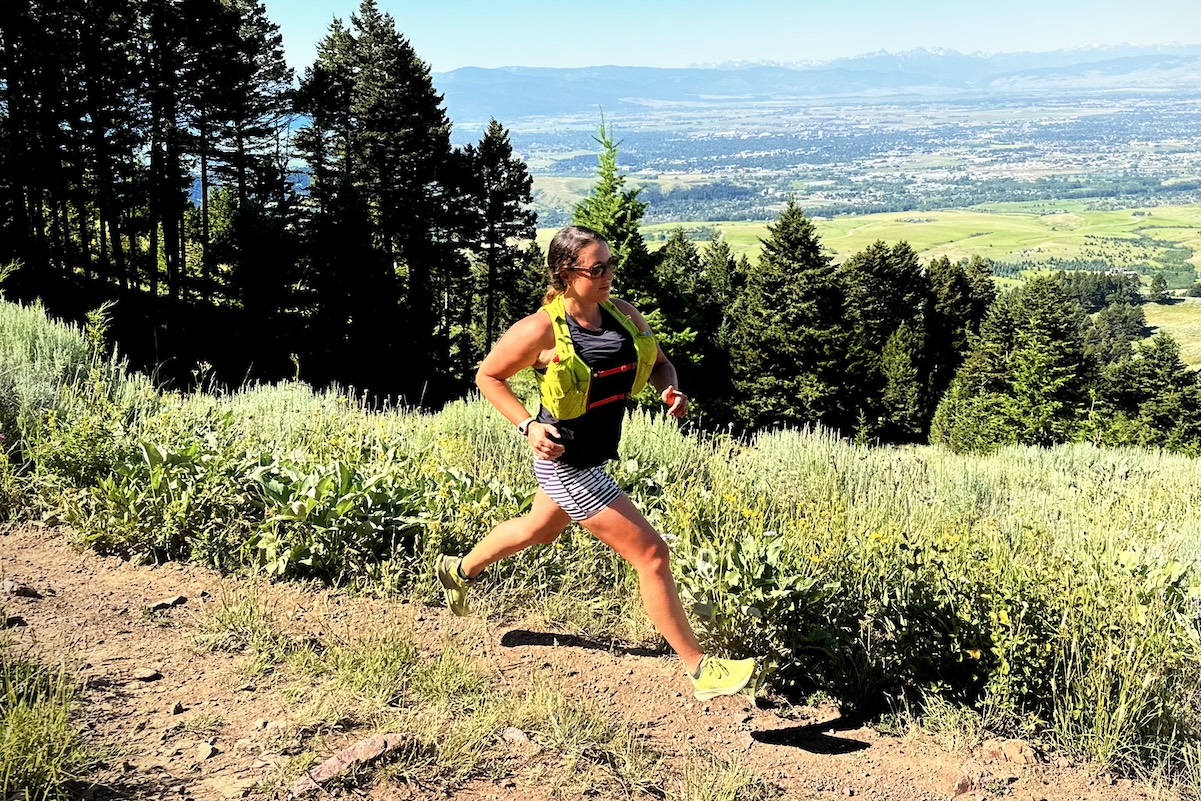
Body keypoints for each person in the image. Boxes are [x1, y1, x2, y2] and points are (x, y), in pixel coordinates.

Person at [435, 224, 757, 702]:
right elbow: (489, 375)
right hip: (568, 461)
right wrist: (527, 425)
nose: (608, 275)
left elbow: (661, 362)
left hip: (593, 452)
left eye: (610, 265)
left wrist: (669, 387)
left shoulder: (622, 314)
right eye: (597, 268)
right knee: (651, 554)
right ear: (567, 273)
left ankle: (458, 569)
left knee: (539, 528)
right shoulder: (539, 329)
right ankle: (699, 669)